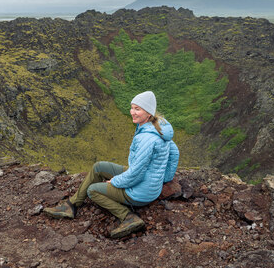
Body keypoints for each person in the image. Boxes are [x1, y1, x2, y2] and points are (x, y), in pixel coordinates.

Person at [44, 91, 179, 238]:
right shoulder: (159, 128)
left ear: (148, 113)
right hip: (148, 185)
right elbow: (174, 153)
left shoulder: (147, 138)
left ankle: (128, 217)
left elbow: (136, 174)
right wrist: (164, 179)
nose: (132, 112)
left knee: (93, 190)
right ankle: (71, 205)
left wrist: (115, 182)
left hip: (140, 192)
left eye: (137, 109)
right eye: (132, 107)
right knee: (99, 167)